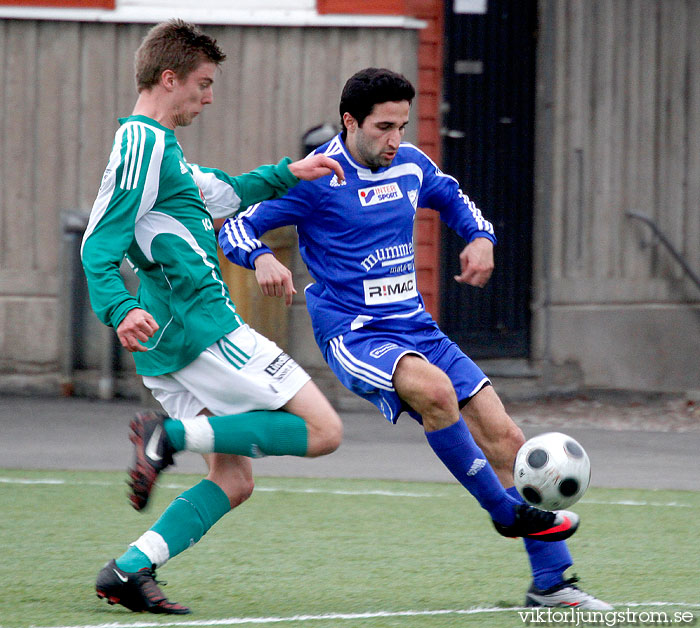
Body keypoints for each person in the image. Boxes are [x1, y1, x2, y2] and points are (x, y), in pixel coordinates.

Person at [219, 67, 612, 610]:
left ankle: (552, 583)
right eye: (383, 127)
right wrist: (260, 255)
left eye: (402, 126)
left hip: (416, 327)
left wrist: (479, 238)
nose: (395, 139)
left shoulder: (409, 163)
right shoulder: (315, 181)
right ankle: (504, 513)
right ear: (349, 121)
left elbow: (452, 197)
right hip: (355, 335)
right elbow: (234, 226)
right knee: (436, 392)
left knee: (506, 438)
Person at [81, 20, 345, 615]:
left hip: (172, 339)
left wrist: (288, 172)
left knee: (235, 480)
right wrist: (118, 307)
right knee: (324, 431)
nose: (208, 95)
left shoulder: (158, 148)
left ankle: (128, 571)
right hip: (202, 327)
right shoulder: (141, 145)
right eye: (202, 83)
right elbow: (98, 243)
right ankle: (165, 437)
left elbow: (220, 191)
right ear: (168, 79)